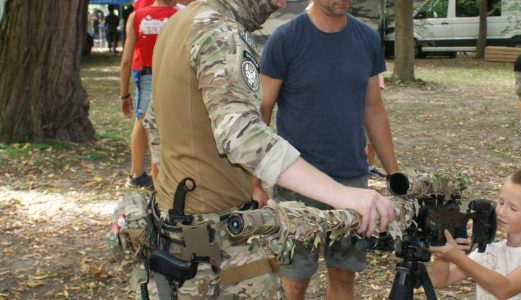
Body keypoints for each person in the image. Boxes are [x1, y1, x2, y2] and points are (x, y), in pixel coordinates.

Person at [144, 0, 395, 297]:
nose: (281, 3)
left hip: (177, 221)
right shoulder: (221, 31)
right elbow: (242, 134)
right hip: (213, 231)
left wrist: (169, 191)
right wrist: (341, 194)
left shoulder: (180, 23)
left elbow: (153, 120)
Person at [258, 0, 399, 298]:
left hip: (352, 180)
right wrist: (253, 182)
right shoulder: (285, 39)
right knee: (294, 281)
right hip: (297, 184)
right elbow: (262, 111)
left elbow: (373, 110)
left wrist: (395, 175)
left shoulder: (366, 38)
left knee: (344, 277)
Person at [429, 169, 521, 300]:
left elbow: (505, 289)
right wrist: (443, 254)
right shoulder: (490, 252)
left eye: (513, 208)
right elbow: (439, 281)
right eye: (501, 202)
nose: (501, 212)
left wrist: (458, 257)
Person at [118, 0, 177, 190]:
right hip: (172, 76)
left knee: (144, 122)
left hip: (146, 75)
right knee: (167, 127)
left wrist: (124, 94)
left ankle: (138, 173)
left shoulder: (136, 17)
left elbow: (126, 60)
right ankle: (159, 178)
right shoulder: (178, 16)